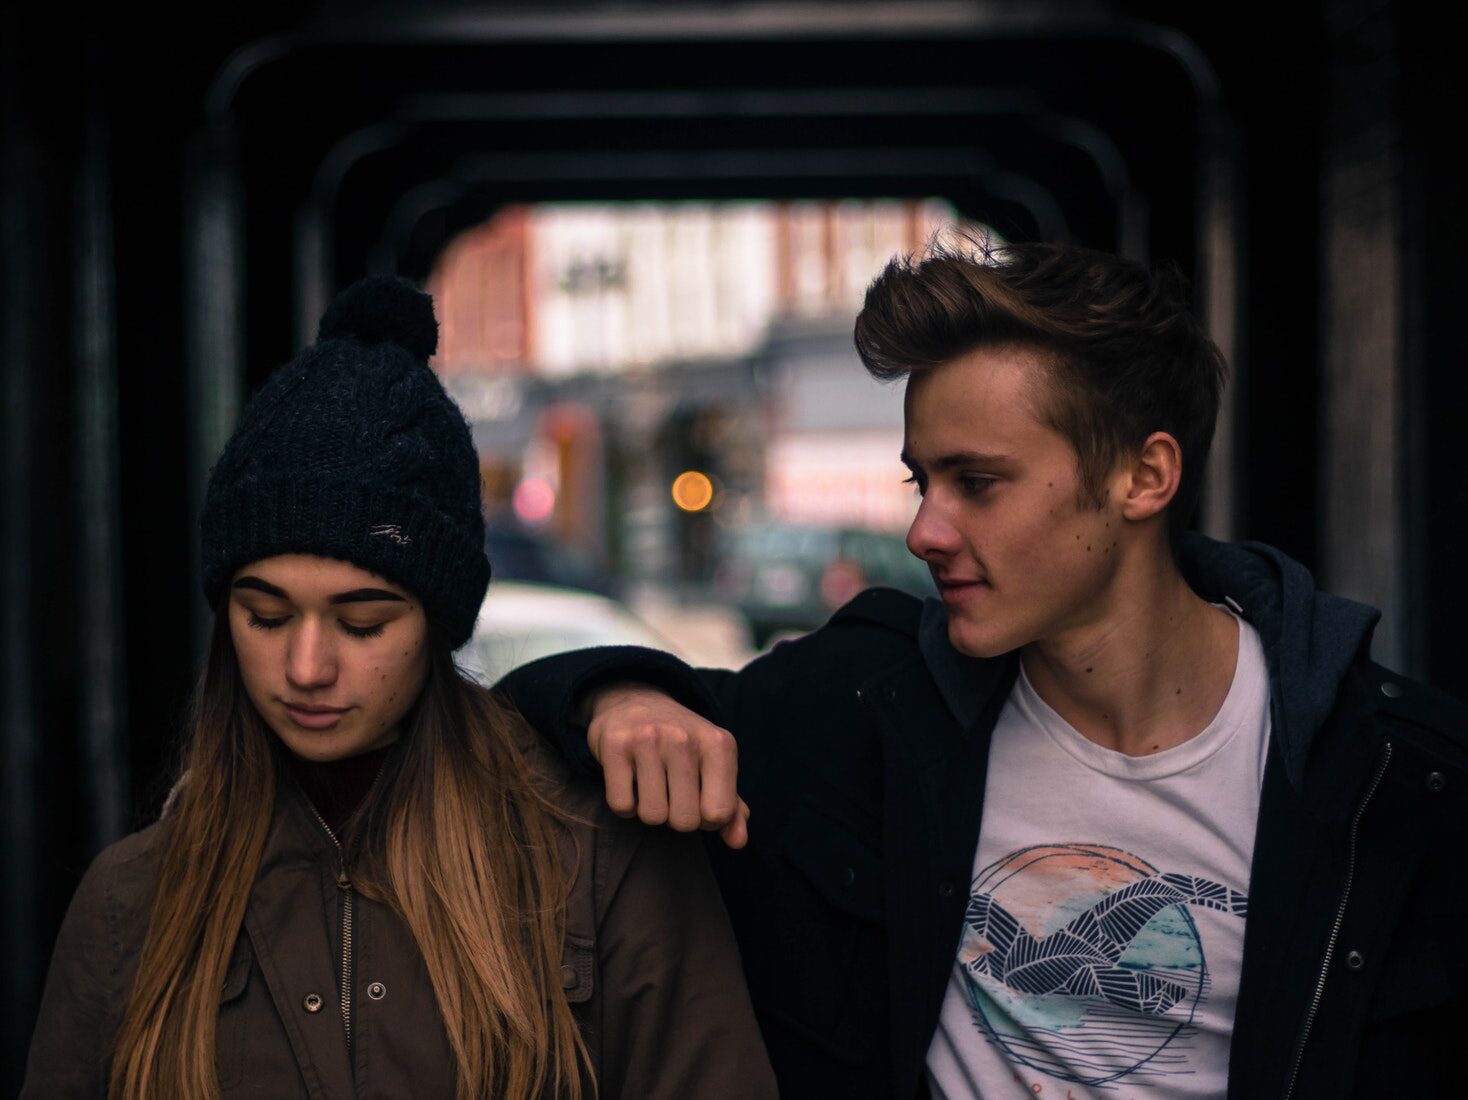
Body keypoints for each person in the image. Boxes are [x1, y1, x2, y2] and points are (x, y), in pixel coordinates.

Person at [499, 240, 1468, 1099]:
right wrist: (619, 695)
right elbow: (505, 725)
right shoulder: (873, 700)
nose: (923, 531)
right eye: (921, 481)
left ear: (1143, 477)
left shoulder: (1388, 773)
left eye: (978, 482)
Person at [22, 276, 776, 1100]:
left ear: (436, 625)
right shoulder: (130, 900)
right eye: (265, 616)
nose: (306, 667)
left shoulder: (596, 860)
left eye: (363, 623)